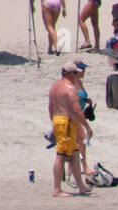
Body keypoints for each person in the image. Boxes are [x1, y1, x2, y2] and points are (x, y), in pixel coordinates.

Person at [49, 64, 93, 198]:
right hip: (66, 122)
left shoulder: (55, 87)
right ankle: (56, 189)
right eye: (75, 73)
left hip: (59, 120)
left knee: (74, 153)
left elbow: (50, 108)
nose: (77, 75)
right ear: (69, 73)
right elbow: (75, 110)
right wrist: (87, 126)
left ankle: (81, 187)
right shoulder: (70, 88)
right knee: (61, 156)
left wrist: (54, 123)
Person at [70, 61, 95, 177]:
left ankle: (76, 168)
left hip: (80, 115)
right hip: (74, 115)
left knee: (79, 142)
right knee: (80, 141)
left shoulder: (79, 81)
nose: (84, 72)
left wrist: (87, 101)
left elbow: (81, 96)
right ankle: (83, 167)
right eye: (82, 70)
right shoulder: (71, 83)